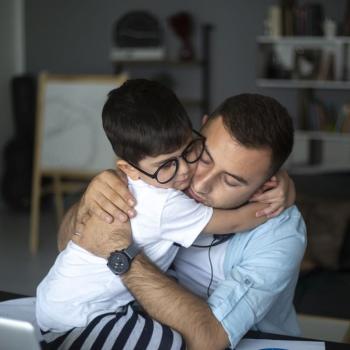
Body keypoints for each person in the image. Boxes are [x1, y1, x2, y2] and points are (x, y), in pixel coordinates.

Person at [36, 81, 281, 348]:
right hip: (83, 316)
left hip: (62, 303)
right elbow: (235, 221)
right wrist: (272, 203)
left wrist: (279, 183)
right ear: (129, 170)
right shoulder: (165, 204)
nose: (186, 174)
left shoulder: (150, 180)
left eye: (190, 150)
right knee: (173, 344)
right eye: (166, 166)